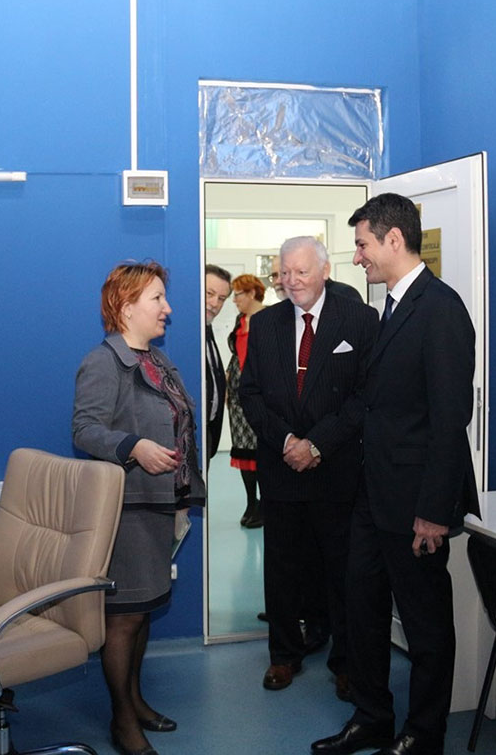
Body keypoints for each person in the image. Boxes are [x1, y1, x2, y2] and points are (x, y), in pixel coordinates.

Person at [311, 194, 478, 755]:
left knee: (426, 626)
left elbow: (450, 420)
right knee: (362, 611)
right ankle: (372, 717)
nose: (357, 256)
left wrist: (433, 512)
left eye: (362, 244)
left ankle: (425, 734)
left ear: (394, 240)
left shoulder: (441, 308)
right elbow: (374, 401)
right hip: (373, 493)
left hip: (415, 504)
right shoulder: (389, 307)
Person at [73, 260, 205, 755]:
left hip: (159, 504)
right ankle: (123, 721)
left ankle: (136, 701)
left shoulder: (158, 361)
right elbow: (85, 430)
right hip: (127, 510)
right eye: (157, 299)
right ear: (126, 308)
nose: (167, 308)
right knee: (124, 617)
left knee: (144, 610)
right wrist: (134, 447)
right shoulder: (102, 362)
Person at [239, 237, 377, 694]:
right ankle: (284, 656)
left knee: (341, 571)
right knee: (281, 569)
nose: (291, 281)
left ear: (324, 272)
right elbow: (250, 394)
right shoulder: (264, 324)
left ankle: (346, 663)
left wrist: (317, 444)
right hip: (280, 468)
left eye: (301, 272)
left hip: (335, 468)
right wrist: (287, 441)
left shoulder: (358, 320)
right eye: (285, 272)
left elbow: (364, 397)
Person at [225, 273, 267, 527]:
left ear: (252, 293)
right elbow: (236, 354)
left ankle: (265, 505)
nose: (234, 300)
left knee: (261, 452)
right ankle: (251, 502)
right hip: (237, 400)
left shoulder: (270, 318)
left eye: (237, 294)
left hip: (260, 397)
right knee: (243, 450)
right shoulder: (240, 320)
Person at [204, 265, 232, 464]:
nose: (214, 303)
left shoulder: (207, 329)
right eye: (209, 294)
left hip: (209, 434)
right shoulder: (183, 333)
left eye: (221, 298)